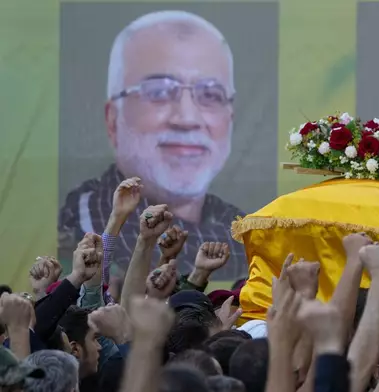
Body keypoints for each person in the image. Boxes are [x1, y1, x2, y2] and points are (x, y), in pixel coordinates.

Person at [58, 10, 246, 281]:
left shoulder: (241, 228)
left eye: (210, 95)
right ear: (113, 120)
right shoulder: (86, 218)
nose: (187, 118)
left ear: (230, 118)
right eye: (158, 92)